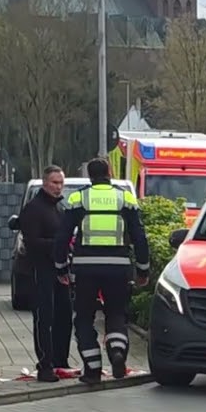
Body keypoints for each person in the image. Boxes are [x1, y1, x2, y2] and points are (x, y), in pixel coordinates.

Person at [53, 158, 150, 384]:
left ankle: (93, 370)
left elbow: (62, 236)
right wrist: (143, 269)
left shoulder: (78, 198)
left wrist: (61, 267)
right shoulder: (125, 198)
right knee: (116, 314)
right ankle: (117, 352)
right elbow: (139, 237)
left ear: (89, 175)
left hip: (85, 269)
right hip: (118, 268)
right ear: (110, 172)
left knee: (84, 318)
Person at [17, 165, 72, 382]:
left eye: (61, 183)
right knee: (44, 318)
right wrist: (58, 244)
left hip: (60, 270)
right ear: (44, 183)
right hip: (40, 270)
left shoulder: (59, 208)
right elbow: (32, 242)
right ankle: (45, 365)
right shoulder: (34, 209)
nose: (59, 187)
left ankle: (61, 361)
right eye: (54, 183)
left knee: (64, 316)